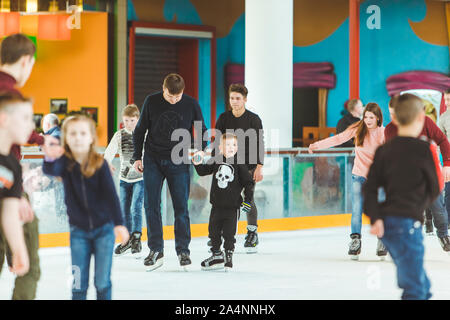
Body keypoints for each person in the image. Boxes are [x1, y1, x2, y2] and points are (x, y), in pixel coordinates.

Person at [363, 93, 442, 300]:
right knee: (415, 288)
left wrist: (376, 217)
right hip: (408, 224)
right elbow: (435, 188)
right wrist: (418, 207)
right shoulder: (424, 149)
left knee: (421, 284)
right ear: (421, 119)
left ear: (394, 118)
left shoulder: (383, 150)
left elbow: (368, 189)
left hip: (387, 226)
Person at [42, 115, 129, 300]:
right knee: (78, 283)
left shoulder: (100, 164)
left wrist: (119, 224)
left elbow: (111, 196)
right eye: (72, 133)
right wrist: (49, 154)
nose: (78, 137)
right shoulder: (64, 164)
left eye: (83, 133)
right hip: (78, 233)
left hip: (104, 231)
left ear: (91, 138)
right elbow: (50, 171)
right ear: (65, 138)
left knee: (102, 282)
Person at [132, 73, 207, 271]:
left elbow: (201, 130)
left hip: (180, 160)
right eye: (170, 96)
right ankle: (156, 250)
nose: (174, 100)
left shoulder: (191, 104)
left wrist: (200, 149)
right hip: (153, 159)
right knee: (151, 205)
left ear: (183, 92)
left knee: (181, 206)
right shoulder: (152, 101)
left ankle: (183, 250)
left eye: (177, 97)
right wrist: (137, 157)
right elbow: (139, 131)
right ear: (163, 89)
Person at [0, 33, 53, 300]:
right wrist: (17, 193)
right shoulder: (11, 93)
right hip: (8, 187)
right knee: (28, 268)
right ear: (25, 61)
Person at [309, 103, 386, 260]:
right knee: (357, 207)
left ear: (378, 118)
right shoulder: (358, 128)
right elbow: (338, 139)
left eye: (371, 117)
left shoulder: (383, 133)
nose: (368, 120)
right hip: (359, 175)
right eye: (366, 117)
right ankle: (355, 240)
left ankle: (382, 240)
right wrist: (317, 145)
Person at [386, 96, 450, 251]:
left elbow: (442, 140)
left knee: (438, 209)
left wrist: (447, 164)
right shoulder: (390, 129)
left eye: (397, 114)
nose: (394, 118)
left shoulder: (425, 122)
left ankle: (443, 234)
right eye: (391, 114)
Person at [192, 133, 254, 270]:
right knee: (213, 231)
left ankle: (228, 255)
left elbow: (249, 183)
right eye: (227, 144)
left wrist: (247, 200)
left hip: (232, 208)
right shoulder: (217, 160)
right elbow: (203, 171)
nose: (231, 147)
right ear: (220, 147)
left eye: (234, 145)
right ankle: (216, 254)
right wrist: (196, 163)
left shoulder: (240, 163)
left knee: (229, 233)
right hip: (216, 206)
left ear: (237, 147)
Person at [214, 83, 264, 253]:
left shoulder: (253, 119)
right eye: (232, 98)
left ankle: (252, 232)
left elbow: (259, 144)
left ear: (245, 100)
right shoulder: (223, 118)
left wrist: (259, 167)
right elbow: (217, 143)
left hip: (248, 167)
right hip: (228, 166)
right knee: (227, 199)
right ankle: (223, 233)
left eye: (238, 98)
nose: (234, 101)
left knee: (248, 198)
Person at [0, 94, 35, 284]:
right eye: (25, 119)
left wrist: (19, 250)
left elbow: (9, 214)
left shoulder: (13, 165)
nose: (31, 126)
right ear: (4, 119)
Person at [104, 104, 144, 257]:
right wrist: (106, 164)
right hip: (124, 178)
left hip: (140, 178)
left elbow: (149, 153)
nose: (129, 124)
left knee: (135, 207)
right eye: (126, 120)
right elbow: (109, 152)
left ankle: (136, 238)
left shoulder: (143, 134)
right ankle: (126, 240)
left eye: (132, 120)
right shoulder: (119, 135)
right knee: (124, 208)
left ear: (138, 119)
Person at [438, 88, 450, 228]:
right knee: (449, 191)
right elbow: (440, 139)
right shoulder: (443, 117)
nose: (447, 102)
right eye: (446, 99)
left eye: (449, 99)